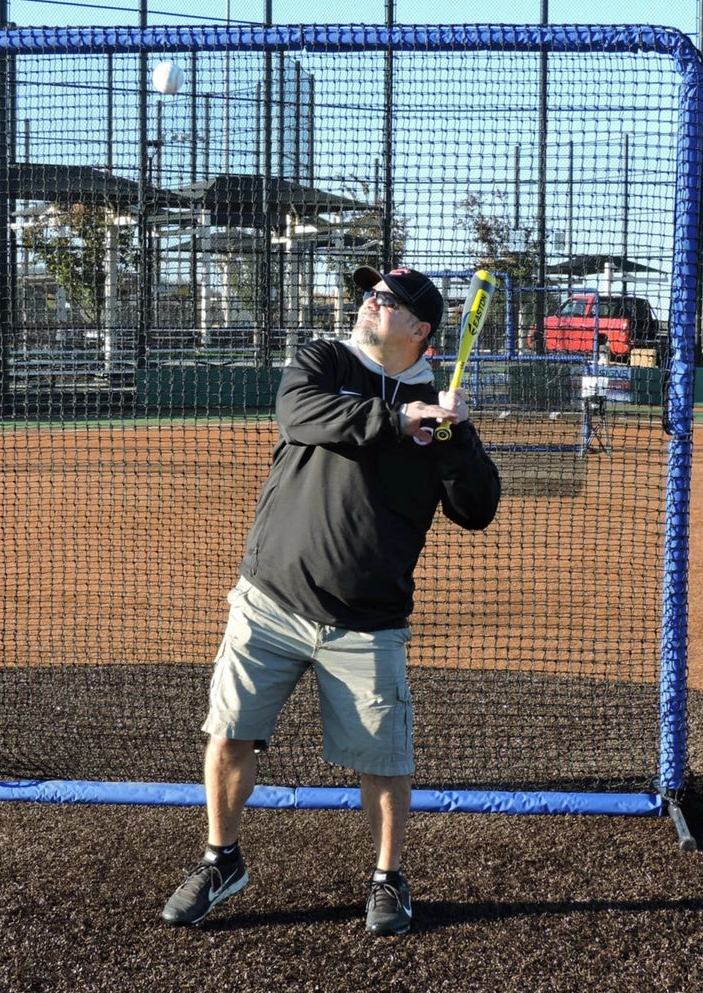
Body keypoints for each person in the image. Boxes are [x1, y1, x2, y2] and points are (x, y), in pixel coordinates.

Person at [161, 266, 502, 936]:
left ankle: (387, 879)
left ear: (418, 329)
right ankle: (220, 859)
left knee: (384, 761)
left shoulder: (438, 414)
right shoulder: (324, 360)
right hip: (272, 599)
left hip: (368, 619)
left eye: (385, 300)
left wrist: (456, 438)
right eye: (371, 294)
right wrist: (398, 418)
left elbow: (477, 509)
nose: (368, 303)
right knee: (229, 734)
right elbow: (299, 413)